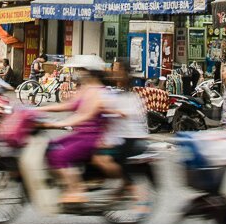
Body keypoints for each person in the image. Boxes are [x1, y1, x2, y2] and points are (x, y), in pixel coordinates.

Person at [35, 55, 110, 205]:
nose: (79, 73)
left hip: (90, 137)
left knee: (59, 156)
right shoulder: (85, 89)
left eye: (82, 70)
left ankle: (76, 191)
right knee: (48, 148)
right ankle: (69, 182)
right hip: (79, 134)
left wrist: (56, 124)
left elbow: (85, 116)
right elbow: (67, 105)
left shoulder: (99, 92)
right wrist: (40, 110)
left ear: (91, 72)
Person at [92, 59, 150, 211]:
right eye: (113, 68)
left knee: (103, 159)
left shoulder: (130, 93)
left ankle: (137, 194)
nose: (113, 71)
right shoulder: (114, 90)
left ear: (124, 72)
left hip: (131, 137)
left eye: (116, 69)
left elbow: (125, 114)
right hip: (119, 136)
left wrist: (109, 111)